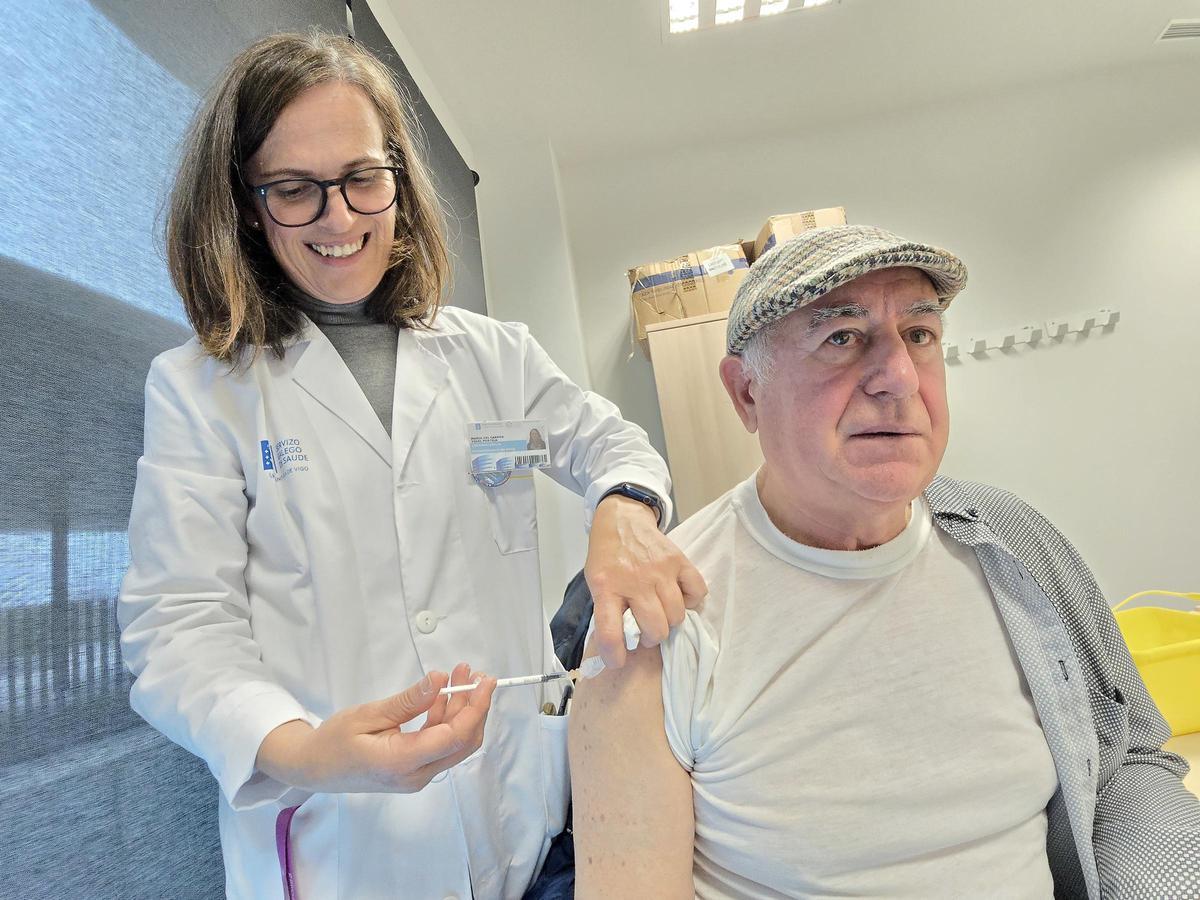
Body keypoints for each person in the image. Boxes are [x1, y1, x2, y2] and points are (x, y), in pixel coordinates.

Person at [117, 31, 705, 900]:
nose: (340, 217)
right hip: (342, 847)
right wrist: (298, 749)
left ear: (396, 176)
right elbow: (178, 628)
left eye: (361, 178)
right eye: (293, 190)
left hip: (517, 819)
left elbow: (609, 445)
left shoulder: (490, 356)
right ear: (244, 205)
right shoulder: (202, 389)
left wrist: (622, 511)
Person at [569, 225, 1200, 899]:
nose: (900, 378)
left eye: (920, 336)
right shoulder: (655, 626)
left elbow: (1130, 756)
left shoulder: (1014, 545)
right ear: (746, 392)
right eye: (841, 338)